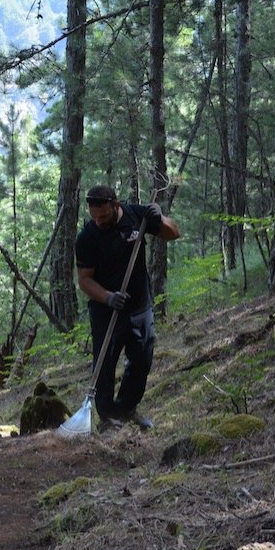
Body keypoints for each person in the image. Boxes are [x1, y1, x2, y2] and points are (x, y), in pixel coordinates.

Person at [74, 184, 181, 430]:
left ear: (116, 205)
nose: (99, 221)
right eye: (94, 217)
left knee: (142, 359)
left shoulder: (136, 216)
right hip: (106, 310)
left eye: (104, 215)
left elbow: (173, 233)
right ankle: (108, 417)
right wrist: (108, 297)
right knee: (105, 365)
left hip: (139, 305)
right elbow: (85, 280)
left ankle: (126, 408)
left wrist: (160, 217)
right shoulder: (87, 237)